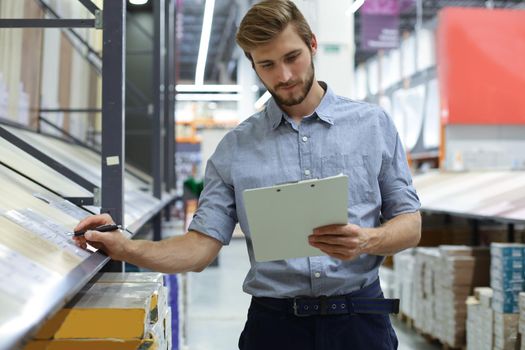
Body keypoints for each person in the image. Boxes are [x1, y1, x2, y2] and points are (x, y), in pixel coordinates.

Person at [74, 1, 421, 349]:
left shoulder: (373, 126)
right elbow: (199, 249)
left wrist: (366, 241)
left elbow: (410, 224)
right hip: (275, 329)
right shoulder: (234, 149)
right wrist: (127, 248)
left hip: (360, 323)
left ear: (313, 44)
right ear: (253, 65)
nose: (284, 75)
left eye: (292, 57)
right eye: (267, 65)